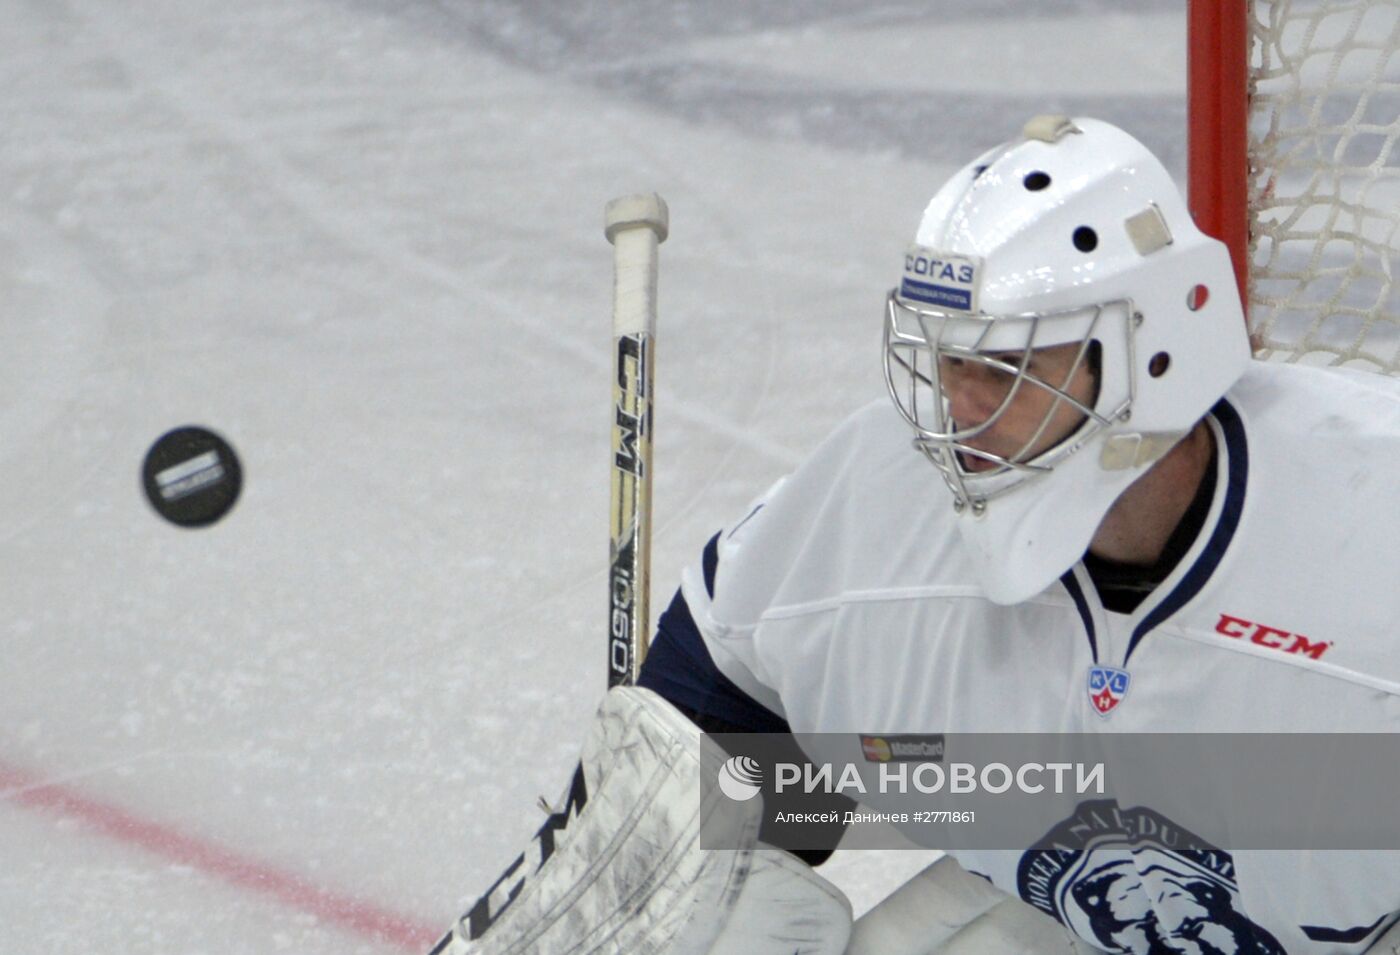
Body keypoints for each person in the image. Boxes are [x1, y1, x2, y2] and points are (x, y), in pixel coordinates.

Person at [434, 117, 1400, 955]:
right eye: (947, 360)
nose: (956, 412)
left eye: (1009, 367)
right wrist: (661, 853)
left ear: (1153, 352)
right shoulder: (884, 511)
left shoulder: (1369, 531)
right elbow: (757, 737)